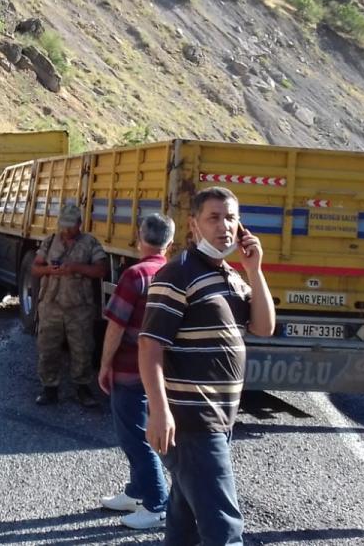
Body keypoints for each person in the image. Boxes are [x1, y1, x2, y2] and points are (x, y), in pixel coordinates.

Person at [138, 187, 275, 546]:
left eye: (231, 217)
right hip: (190, 423)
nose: (224, 226)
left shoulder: (230, 275)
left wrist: (255, 269)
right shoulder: (177, 274)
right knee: (223, 528)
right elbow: (150, 345)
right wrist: (159, 411)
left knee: (185, 524)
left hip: (217, 418)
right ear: (194, 224)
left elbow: (263, 326)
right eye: (214, 218)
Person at [98, 213, 176, 531]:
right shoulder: (172, 274)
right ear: (170, 243)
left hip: (130, 371)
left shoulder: (135, 275)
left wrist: (104, 364)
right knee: (139, 434)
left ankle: (158, 505)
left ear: (139, 236)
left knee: (135, 439)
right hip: (160, 372)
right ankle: (136, 492)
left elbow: (116, 326)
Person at [32, 202, 109, 408]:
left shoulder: (90, 243)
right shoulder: (49, 242)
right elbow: (35, 268)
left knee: (82, 349)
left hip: (79, 307)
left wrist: (76, 267)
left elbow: (101, 270)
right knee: (47, 348)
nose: (66, 230)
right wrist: (49, 270)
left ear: (80, 224)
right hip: (51, 305)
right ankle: (49, 388)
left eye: (71, 226)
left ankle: (82, 388)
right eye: (63, 225)